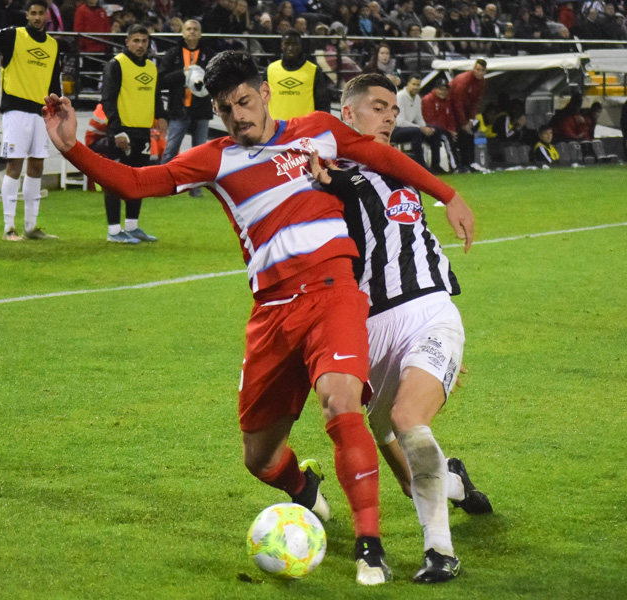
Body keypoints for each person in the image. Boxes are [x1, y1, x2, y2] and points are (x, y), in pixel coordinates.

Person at [44, 50, 474, 586]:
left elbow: (386, 160)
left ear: (265, 93)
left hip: (334, 293)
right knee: (259, 457)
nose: (238, 116)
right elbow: (136, 184)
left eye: (244, 102)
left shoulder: (317, 130)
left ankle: (371, 546)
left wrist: (449, 193)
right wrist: (72, 147)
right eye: (226, 110)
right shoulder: (216, 158)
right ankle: (303, 488)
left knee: (342, 404)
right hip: (272, 314)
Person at [309, 73, 489, 584]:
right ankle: (454, 481)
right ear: (348, 115)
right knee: (406, 464)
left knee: (411, 417)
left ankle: (440, 552)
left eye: (393, 108)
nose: (390, 116)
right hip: (371, 329)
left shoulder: (401, 168)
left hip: (430, 310)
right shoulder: (324, 176)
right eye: (377, 107)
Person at [0, 0, 63, 242]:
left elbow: (54, 82)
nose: (37, 17)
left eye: (41, 13)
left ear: (47, 16)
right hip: (15, 110)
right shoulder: (13, 35)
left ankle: (31, 227)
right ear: (27, 15)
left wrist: (56, 107)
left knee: (37, 166)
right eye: (33, 13)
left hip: (40, 112)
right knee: (14, 166)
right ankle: (8, 228)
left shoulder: (53, 45)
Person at [90, 24, 165, 244]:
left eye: (144, 41)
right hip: (121, 132)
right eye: (136, 40)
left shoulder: (151, 67)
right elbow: (108, 100)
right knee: (115, 181)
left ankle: (132, 226)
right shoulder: (117, 64)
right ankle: (114, 231)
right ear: (127, 42)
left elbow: (156, 95)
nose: (141, 45)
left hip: (143, 131)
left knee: (138, 180)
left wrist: (161, 116)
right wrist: (117, 130)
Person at [159, 18, 214, 196]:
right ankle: (160, 185)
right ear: (183, 33)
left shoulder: (209, 54)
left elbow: (217, 79)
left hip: (201, 109)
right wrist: (182, 74)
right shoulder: (173, 53)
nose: (192, 32)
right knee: (171, 151)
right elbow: (162, 79)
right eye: (188, 29)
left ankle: (196, 191)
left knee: (199, 154)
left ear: (200, 33)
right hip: (178, 109)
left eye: (195, 29)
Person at [266, 29, 328, 120]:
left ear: (300, 46)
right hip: (276, 130)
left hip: (305, 130)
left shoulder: (313, 71)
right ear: (281, 46)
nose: (290, 48)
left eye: (294, 44)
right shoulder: (270, 70)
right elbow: (262, 102)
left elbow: (323, 104)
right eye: (287, 44)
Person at [394, 75, 443, 173]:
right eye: (413, 84)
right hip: (395, 130)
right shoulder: (400, 97)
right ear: (408, 84)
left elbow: (418, 118)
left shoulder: (417, 98)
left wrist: (426, 128)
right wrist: (421, 128)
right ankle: (421, 166)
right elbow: (400, 122)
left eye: (418, 85)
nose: (416, 87)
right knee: (416, 131)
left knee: (436, 130)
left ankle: (436, 166)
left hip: (409, 129)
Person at [449, 58, 488, 172]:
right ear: (473, 69)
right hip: (452, 110)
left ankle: (470, 163)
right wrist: (463, 123)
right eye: (477, 69)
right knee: (461, 135)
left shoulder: (482, 82)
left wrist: (471, 119)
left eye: (482, 71)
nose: (479, 73)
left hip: (465, 111)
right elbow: (457, 102)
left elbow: (476, 101)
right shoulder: (464, 80)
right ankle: (461, 165)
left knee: (470, 134)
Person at [421, 79, 458, 172]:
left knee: (462, 136)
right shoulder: (428, 100)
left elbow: (450, 118)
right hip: (431, 129)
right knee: (447, 138)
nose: (443, 92)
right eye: (440, 89)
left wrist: (452, 130)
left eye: (445, 89)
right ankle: (455, 167)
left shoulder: (447, 101)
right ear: (435, 89)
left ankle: (466, 164)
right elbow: (429, 120)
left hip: (443, 130)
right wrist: (448, 131)